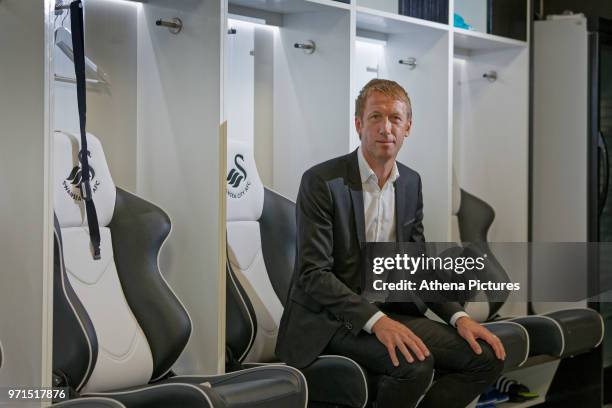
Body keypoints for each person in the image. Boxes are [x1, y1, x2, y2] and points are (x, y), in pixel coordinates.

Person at [276, 79, 506, 408]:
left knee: (485, 358)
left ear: (407, 127)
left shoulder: (410, 182)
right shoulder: (322, 182)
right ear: (359, 124)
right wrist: (377, 321)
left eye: (395, 118)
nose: (386, 128)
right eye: (375, 117)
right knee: (412, 365)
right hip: (327, 321)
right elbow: (313, 274)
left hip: (389, 310)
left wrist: (459, 318)